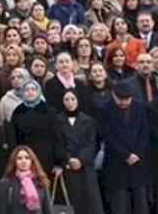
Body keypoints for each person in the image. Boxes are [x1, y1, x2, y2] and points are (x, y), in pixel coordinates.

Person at [100, 83, 150, 214]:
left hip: (138, 162)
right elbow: (107, 136)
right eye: (120, 99)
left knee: (141, 203)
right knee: (120, 205)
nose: (124, 102)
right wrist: (126, 155)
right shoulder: (105, 109)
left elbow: (144, 132)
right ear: (113, 96)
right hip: (117, 163)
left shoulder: (140, 107)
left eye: (127, 99)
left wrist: (137, 153)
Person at [55, 89, 104, 214]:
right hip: (68, 167)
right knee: (73, 203)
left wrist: (80, 160)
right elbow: (58, 144)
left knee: (91, 203)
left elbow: (92, 143)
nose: (70, 102)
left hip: (86, 167)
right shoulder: (57, 121)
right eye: (66, 99)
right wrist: (69, 159)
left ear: (78, 100)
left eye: (73, 99)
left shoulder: (89, 121)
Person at [0, 146, 51, 214]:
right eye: (19, 158)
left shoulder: (40, 180)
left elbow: (47, 209)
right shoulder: (6, 183)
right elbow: (3, 210)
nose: (23, 161)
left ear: (32, 161)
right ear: (14, 161)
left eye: (27, 158)